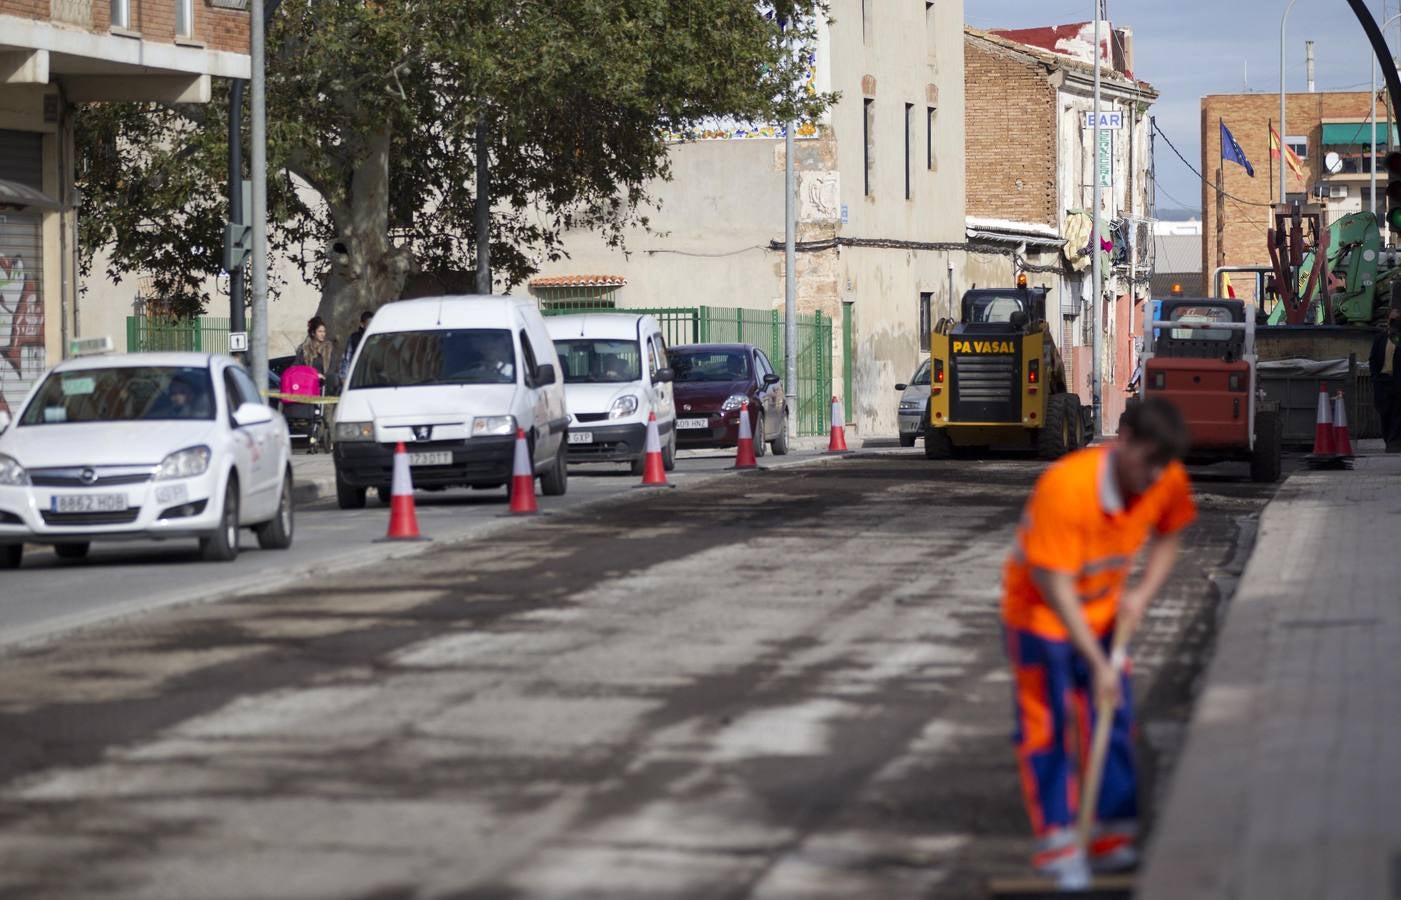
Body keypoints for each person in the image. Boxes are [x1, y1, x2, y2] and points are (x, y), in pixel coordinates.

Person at [1001, 398, 1196, 887]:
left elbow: (1171, 536)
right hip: (1041, 617)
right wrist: (1097, 659)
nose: (1154, 478)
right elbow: (1054, 583)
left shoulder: (1163, 476)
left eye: (1162, 467)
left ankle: (1111, 836)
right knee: (1047, 726)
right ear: (1122, 440)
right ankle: (1058, 841)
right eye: (1147, 462)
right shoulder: (1067, 489)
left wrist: (1141, 596)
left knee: (1111, 716)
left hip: (1107, 613)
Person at [1369, 307, 1401, 452]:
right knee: (1385, 412)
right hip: (1382, 381)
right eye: (1393, 319)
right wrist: (1375, 377)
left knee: (1397, 413)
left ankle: (1393, 443)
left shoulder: (1398, 338)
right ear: (1388, 320)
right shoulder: (1380, 338)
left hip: (1397, 381)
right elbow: (1373, 359)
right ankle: (1388, 439)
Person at [296, 316, 338, 392]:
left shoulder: (329, 348)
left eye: (324, 331)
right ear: (313, 333)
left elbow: (332, 367)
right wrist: (314, 375)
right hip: (309, 387)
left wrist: (324, 377)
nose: (323, 334)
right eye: (320, 331)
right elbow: (297, 367)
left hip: (326, 388)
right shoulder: (304, 350)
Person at [340, 309, 373, 381]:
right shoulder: (354, 338)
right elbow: (347, 358)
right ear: (362, 324)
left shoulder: (377, 338)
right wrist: (344, 377)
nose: (371, 326)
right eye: (368, 324)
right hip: (356, 378)